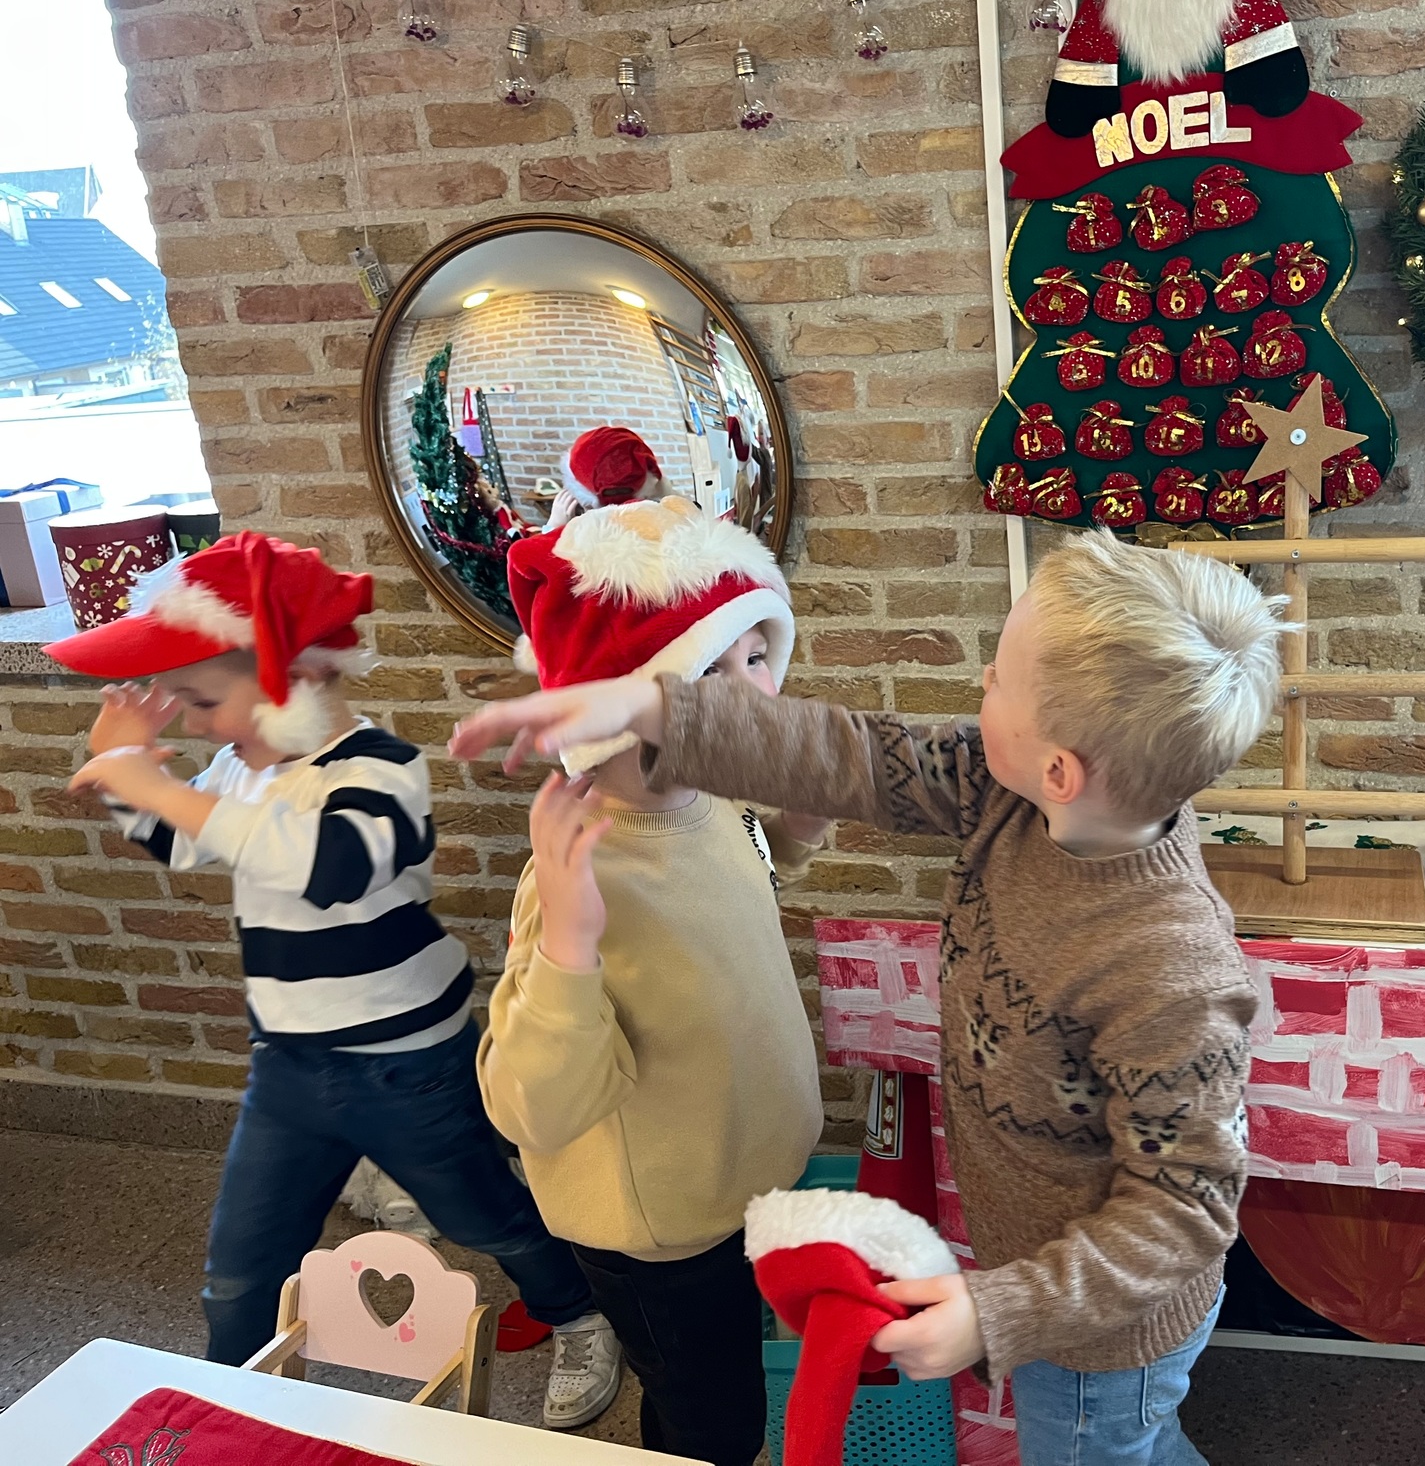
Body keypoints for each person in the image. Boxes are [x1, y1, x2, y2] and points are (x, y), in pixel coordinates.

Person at [451, 529, 1286, 1466]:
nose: (981, 683)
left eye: (999, 681)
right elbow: (854, 754)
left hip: (1103, 1331)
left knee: (1101, 1452)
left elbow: (1185, 1206)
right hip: (1046, 1266)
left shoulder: (1169, 972)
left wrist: (997, 1311)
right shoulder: (1012, 793)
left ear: (1061, 770)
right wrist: (647, 705)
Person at [43, 533, 611, 1429]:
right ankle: (232, 1403)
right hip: (289, 1064)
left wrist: (151, 784)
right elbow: (189, 841)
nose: (194, 726)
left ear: (297, 678)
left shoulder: (381, 768)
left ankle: (579, 1315)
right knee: (242, 1265)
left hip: (409, 1065)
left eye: (205, 701)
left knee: (486, 1214)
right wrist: (131, 777)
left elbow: (324, 867)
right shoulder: (239, 769)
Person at [477, 495, 828, 1465]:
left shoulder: (711, 797)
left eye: (756, 657)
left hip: (735, 1177)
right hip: (662, 1235)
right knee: (712, 1423)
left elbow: (739, 886)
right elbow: (530, 1106)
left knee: (720, 1380)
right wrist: (569, 941)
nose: (757, 694)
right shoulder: (579, 874)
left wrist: (797, 829)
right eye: (710, 672)